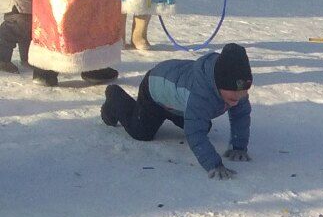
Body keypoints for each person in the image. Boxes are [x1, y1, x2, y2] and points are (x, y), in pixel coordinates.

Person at [100, 43, 252, 178]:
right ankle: (114, 97)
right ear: (219, 84)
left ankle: (170, 111)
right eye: (233, 91)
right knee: (142, 132)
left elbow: (241, 116)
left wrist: (238, 147)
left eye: (244, 90)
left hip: (177, 101)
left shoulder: (237, 89)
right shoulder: (200, 94)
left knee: (204, 125)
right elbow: (194, 133)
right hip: (155, 90)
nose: (240, 96)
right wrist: (214, 164)